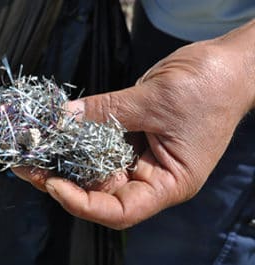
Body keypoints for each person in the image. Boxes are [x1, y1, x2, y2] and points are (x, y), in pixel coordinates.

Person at [13, 1, 255, 264]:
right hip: (165, 24)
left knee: (191, 243)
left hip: (238, 61)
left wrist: (243, 66)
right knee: (149, 226)